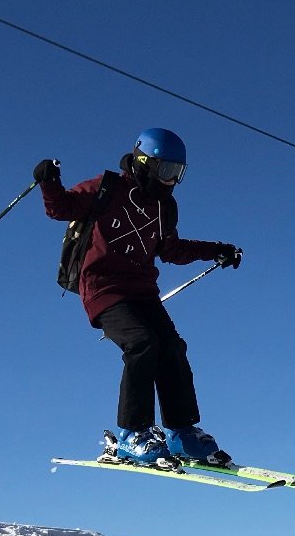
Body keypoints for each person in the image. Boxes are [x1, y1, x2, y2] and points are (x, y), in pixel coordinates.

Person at [36, 128, 241, 467]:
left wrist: (216, 250)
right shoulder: (107, 187)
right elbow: (61, 207)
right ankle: (133, 434)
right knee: (142, 342)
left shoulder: (164, 207)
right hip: (102, 287)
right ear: (145, 163)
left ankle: (181, 432)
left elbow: (171, 249)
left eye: (178, 173)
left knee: (172, 347)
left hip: (142, 291)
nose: (171, 181)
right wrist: (49, 181)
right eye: (167, 170)